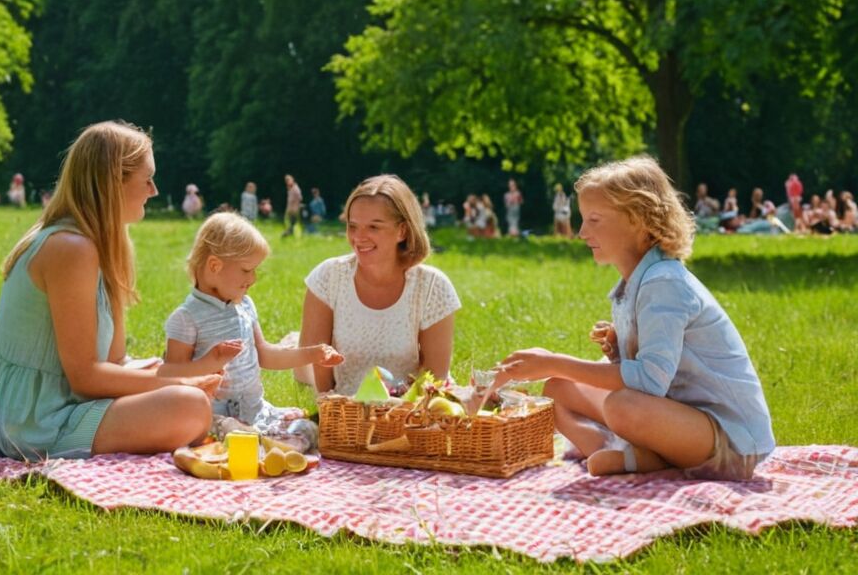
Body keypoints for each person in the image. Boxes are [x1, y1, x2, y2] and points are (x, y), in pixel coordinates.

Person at [494, 155, 775, 480]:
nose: (582, 232)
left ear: (639, 220)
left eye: (595, 220)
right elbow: (654, 370)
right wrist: (618, 350)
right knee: (558, 388)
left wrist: (553, 360)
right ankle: (613, 449)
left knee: (620, 406)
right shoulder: (632, 285)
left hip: (729, 442)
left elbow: (649, 382)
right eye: (583, 219)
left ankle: (651, 457)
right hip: (679, 418)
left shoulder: (664, 283)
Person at [0, 120, 219, 460]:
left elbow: (114, 361)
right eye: (146, 179)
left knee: (196, 390)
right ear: (112, 182)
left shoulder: (105, 243)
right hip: (31, 422)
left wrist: (185, 373)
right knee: (189, 406)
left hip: (59, 403)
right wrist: (175, 384)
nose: (154, 190)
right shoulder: (69, 248)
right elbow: (86, 378)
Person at [163, 212, 342, 449]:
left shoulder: (245, 305)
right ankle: (257, 442)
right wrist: (209, 362)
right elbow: (171, 375)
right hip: (212, 416)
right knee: (231, 431)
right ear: (215, 265)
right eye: (247, 270)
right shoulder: (186, 317)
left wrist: (313, 354)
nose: (253, 278)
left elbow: (266, 355)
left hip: (255, 410)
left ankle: (266, 441)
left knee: (311, 431)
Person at [298, 174, 461, 395]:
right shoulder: (328, 277)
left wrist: (395, 413)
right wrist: (335, 411)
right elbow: (319, 370)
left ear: (402, 231)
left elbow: (434, 376)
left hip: (407, 411)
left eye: (374, 227)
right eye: (353, 226)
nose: (359, 237)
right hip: (343, 411)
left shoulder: (432, 286)